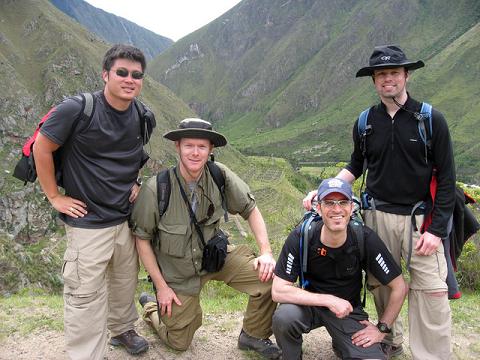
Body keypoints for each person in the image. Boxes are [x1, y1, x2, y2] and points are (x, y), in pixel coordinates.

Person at [303, 45, 456, 359]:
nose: (388, 79)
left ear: (406, 75)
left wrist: (437, 230)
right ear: (374, 80)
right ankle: (389, 339)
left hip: (421, 221)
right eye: (381, 74)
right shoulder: (365, 122)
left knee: (431, 291)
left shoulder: (430, 119)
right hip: (377, 217)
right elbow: (356, 165)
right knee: (383, 283)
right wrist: (323, 190)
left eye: (394, 73)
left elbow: (448, 179)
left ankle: (434, 355)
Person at [33, 44, 150, 359]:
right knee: (85, 294)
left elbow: (135, 155)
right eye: (122, 72)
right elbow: (41, 149)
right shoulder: (77, 109)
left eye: (136, 75)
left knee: (125, 283)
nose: (129, 79)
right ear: (105, 74)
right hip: (87, 223)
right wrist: (55, 197)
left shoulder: (142, 114)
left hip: (125, 219)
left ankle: (123, 329)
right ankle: (86, 354)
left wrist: (136, 182)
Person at [130, 118, 282, 359]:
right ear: (177, 146)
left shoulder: (219, 175)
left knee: (270, 279)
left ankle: (252, 335)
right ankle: (151, 307)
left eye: (202, 146)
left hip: (215, 258)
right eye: (189, 145)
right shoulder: (156, 189)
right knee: (179, 342)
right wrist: (161, 287)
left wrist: (266, 252)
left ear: (210, 150)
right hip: (177, 274)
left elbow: (250, 209)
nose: (195, 152)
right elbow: (142, 239)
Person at [273, 178, 407, 360]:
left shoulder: (364, 237)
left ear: (352, 207)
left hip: (348, 311)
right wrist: (328, 300)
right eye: (329, 203)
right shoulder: (302, 236)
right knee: (285, 317)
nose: (337, 209)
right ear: (318, 208)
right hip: (310, 305)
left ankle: (342, 343)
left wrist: (382, 329)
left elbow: (399, 286)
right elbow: (278, 291)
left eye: (343, 202)